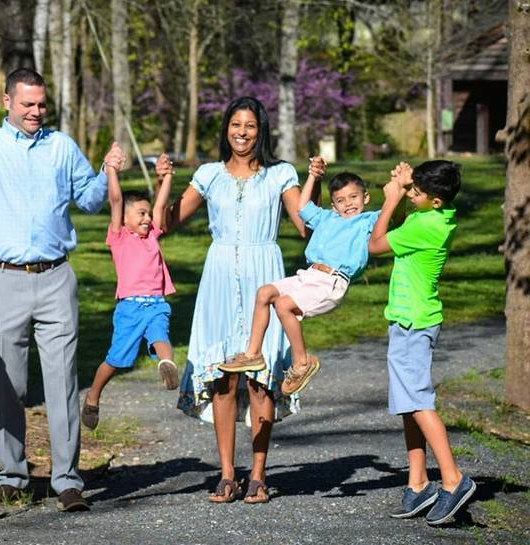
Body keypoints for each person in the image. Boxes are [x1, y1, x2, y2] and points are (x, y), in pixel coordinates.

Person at [0, 68, 126, 512]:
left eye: (42, 104)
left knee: (63, 381)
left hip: (56, 276)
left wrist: (107, 171)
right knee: (9, 383)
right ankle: (12, 475)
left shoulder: (61, 145)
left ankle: (67, 480)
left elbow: (90, 199)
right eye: (27, 104)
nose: (36, 112)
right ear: (7, 101)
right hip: (2, 278)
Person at [160, 96, 318, 504]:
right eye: (235, 125)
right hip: (217, 280)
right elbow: (167, 223)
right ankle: (227, 474)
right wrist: (163, 181)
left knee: (260, 380)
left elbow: (304, 227)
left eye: (249, 126)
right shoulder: (209, 174)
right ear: (226, 129)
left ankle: (260, 475)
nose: (242, 133)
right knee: (222, 379)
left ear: (260, 130)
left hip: (263, 278)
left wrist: (318, 185)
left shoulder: (281, 174)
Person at [369, 160, 476, 526]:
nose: (410, 194)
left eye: (416, 192)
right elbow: (401, 224)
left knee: (418, 401)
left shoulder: (427, 226)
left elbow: (377, 243)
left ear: (434, 200)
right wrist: (402, 189)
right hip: (406, 321)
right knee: (407, 402)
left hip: (414, 324)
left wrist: (391, 197)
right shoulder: (432, 217)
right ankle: (418, 483)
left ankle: (454, 479)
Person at [221, 161, 381, 397]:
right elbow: (302, 207)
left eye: (353, 197)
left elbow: (393, 216)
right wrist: (313, 177)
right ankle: (253, 354)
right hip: (309, 275)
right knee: (265, 292)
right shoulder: (327, 218)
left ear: (365, 198)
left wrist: (399, 189)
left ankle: (302, 362)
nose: (348, 204)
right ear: (333, 204)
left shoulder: (367, 221)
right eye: (340, 200)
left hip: (332, 281)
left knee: (284, 305)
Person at [80, 155, 179, 431]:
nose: (148, 218)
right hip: (130, 309)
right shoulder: (119, 237)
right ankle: (93, 395)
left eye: (148, 214)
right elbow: (114, 200)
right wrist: (111, 170)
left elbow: (161, 203)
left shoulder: (153, 236)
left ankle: (166, 364)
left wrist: (167, 175)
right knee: (116, 359)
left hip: (157, 304)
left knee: (161, 336)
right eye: (141, 214)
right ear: (124, 218)